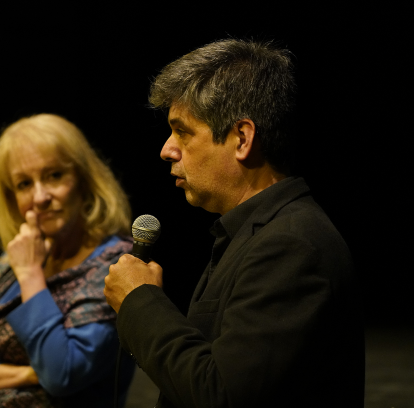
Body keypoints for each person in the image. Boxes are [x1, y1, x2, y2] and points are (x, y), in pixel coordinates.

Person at [104, 39, 364, 407]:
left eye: (183, 131)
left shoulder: (291, 247)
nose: (166, 149)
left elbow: (221, 395)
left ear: (242, 139)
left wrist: (140, 302)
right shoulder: (254, 232)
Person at [0, 114, 135, 407]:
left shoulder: (115, 265)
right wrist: (31, 375)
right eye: (23, 184)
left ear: (84, 180)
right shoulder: (16, 260)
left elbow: (61, 374)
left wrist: (31, 275)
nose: (39, 197)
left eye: (54, 176)